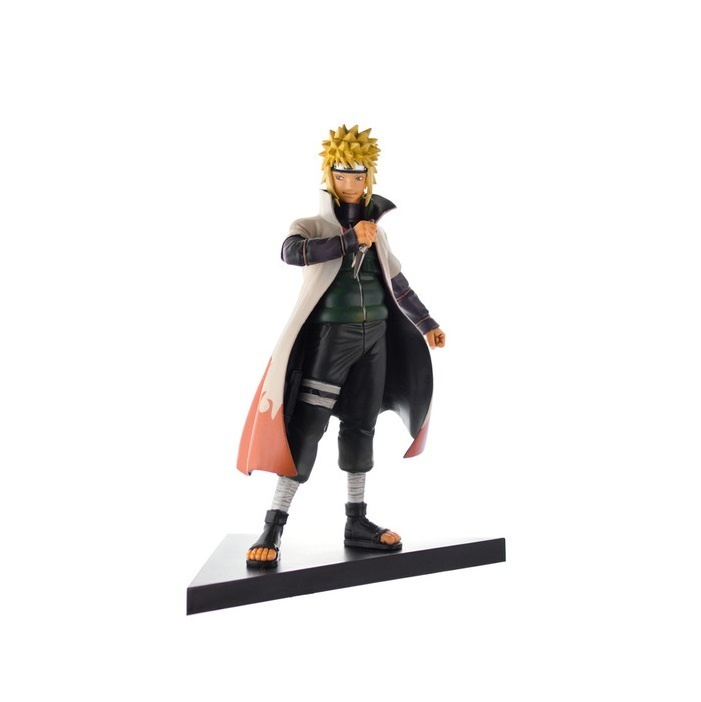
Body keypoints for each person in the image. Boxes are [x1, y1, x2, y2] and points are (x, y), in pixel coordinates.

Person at [237, 124, 446, 568]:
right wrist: (349, 240)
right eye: (341, 175)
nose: (350, 183)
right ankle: (273, 525)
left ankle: (357, 521)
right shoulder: (311, 226)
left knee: (361, 426)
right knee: (305, 429)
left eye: (358, 175)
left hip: (376, 339)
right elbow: (292, 252)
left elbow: (397, 283)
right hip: (331, 339)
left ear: (369, 177)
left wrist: (426, 321)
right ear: (329, 177)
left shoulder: (379, 233)